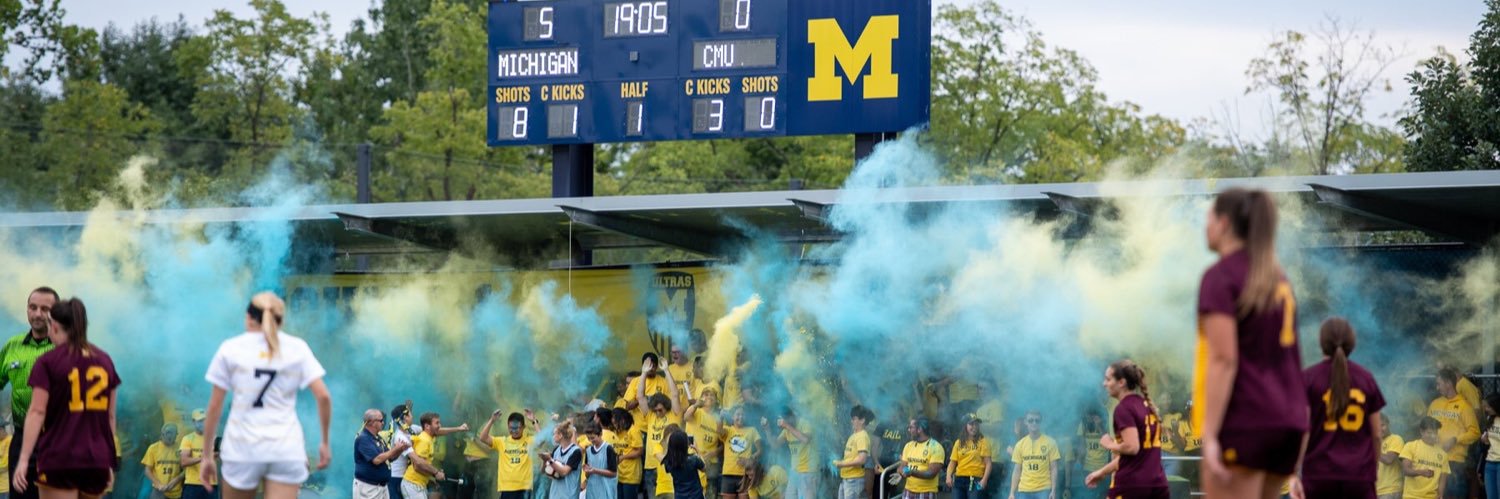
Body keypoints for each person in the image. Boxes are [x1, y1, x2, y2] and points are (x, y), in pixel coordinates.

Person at [1194, 188, 1308, 499]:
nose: (1205, 226)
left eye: (1209, 217)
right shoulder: (1277, 278)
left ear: (1224, 223)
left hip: (1245, 420)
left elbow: (1223, 360)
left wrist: (1211, 434)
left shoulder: (1221, 276)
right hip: (1286, 422)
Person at [199, 292, 332, 499]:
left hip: (242, 447)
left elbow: (215, 407)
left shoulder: (231, 348)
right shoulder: (297, 347)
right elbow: (323, 396)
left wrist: (207, 456)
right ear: (280, 320)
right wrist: (324, 442)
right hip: (285, 447)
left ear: (249, 317)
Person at [9, 296, 120, 499]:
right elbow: (110, 417)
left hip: (60, 457)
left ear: (55, 327)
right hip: (96, 460)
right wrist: (109, 459)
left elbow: (37, 411)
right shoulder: (105, 360)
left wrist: (23, 459)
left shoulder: (48, 361)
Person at [1294, 318, 1386, 499]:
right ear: (1352, 343)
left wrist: (1294, 471)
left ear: (1322, 344)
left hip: (1319, 476)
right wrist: (1370, 470)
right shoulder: (1366, 378)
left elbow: (1302, 431)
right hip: (1358, 477)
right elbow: (1376, 435)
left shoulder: (1308, 379)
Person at [2, 287, 58, 499]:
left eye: (45, 309)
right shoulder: (11, 346)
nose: (37, 314)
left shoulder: (67, 349)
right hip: (21, 439)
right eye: (33, 307)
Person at [1085, 360, 1168, 499]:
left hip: (1131, 486)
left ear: (1121, 382)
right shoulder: (1147, 405)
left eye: (1108, 379)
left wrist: (1109, 444)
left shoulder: (1124, 408)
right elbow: (1132, 458)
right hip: (1158, 485)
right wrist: (1101, 472)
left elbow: (1132, 447)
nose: (1104, 384)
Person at [1427, 368, 1479, 499]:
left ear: (1448, 383)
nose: (1437, 387)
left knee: (1453, 495)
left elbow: (1475, 432)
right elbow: (1426, 427)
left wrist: (1455, 439)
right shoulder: (1434, 403)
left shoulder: (1464, 406)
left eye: (1439, 383)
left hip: (1454, 462)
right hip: (1433, 459)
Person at [638, 358, 683, 499]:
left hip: (671, 464)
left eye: (660, 410)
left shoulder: (674, 413)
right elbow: (640, 397)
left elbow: (675, 394)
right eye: (655, 410)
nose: (658, 412)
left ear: (666, 406)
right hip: (651, 464)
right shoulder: (651, 415)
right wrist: (644, 373)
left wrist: (666, 370)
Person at [479, 409, 540, 499]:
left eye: (517, 428)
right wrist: (492, 420)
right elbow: (483, 438)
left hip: (524, 488)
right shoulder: (502, 441)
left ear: (523, 427)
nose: (514, 431)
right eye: (511, 428)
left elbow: (543, 438)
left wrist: (534, 421)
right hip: (507, 488)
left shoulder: (529, 441)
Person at [356, 408, 411, 499]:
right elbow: (377, 460)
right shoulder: (363, 438)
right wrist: (395, 449)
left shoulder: (378, 438)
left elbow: (390, 458)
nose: (383, 423)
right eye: (381, 420)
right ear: (371, 422)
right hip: (368, 488)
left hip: (382, 486)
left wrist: (400, 449)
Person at [1009, 411, 1060, 499]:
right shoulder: (1020, 444)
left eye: (1037, 420)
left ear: (1041, 422)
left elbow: (1054, 468)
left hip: (1044, 489)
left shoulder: (1051, 442)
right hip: (1024, 490)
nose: (1034, 423)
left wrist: (1053, 490)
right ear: (1025, 422)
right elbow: (1017, 469)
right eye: (1031, 420)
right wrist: (1012, 492)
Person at [403, 413, 449, 499]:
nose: (440, 426)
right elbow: (418, 466)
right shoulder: (424, 440)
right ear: (427, 426)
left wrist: (434, 475)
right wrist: (436, 473)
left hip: (418, 484)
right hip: (413, 484)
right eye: (437, 423)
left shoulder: (428, 438)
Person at [1402, 417, 1449, 499]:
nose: (1433, 436)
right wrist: (1421, 472)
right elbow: (1405, 470)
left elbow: (1443, 477)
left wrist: (1440, 494)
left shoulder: (1443, 454)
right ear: (1421, 432)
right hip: (1411, 496)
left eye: (1435, 433)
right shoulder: (1411, 446)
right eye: (1429, 433)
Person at [898, 418, 945, 499]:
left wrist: (911, 472)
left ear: (919, 429)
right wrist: (900, 472)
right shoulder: (908, 446)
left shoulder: (936, 447)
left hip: (926, 492)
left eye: (911, 427)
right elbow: (902, 465)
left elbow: (931, 473)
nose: (909, 430)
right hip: (908, 491)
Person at [720, 407, 760, 499]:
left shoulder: (752, 430)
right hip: (728, 473)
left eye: (743, 415)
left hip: (745, 475)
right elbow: (719, 431)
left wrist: (750, 460)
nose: (741, 417)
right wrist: (721, 417)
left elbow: (760, 451)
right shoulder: (728, 429)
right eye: (738, 414)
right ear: (733, 417)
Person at [946, 418, 991, 499]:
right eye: (971, 424)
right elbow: (953, 462)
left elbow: (988, 463)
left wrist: (984, 480)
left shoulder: (983, 441)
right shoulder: (959, 442)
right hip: (959, 480)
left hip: (975, 480)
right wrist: (948, 476)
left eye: (976, 424)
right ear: (965, 425)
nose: (974, 427)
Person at [833, 406, 871, 499]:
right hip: (846, 479)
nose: (851, 421)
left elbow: (862, 459)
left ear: (862, 420)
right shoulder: (854, 435)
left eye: (854, 419)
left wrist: (842, 464)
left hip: (854, 480)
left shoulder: (862, 436)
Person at [775, 409, 813, 499]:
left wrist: (787, 426)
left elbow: (805, 439)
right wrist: (767, 429)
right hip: (794, 472)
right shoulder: (787, 429)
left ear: (790, 417)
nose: (782, 422)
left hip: (808, 471)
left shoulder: (804, 423)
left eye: (783, 419)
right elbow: (775, 445)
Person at [180, 409, 218, 499]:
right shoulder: (188, 438)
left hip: (211, 484)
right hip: (192, 484)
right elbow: (184, 461)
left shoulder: (214, 438)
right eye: (200, 421)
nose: (203, 423)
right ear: (193, 422)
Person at [541, 421, 583, 499]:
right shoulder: (556, 449)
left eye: (554, 434)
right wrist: (544, 461)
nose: (553, 436)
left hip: (569, 495)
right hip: (555, 495)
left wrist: (550, 460)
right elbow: (543, 471)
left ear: (560, 435)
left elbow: (564, 472)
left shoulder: (576, 451)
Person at [1073, 409, 1109, 499]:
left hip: (1103, 468)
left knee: (1103, 495)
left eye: (1092, 416)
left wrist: (1100, 426)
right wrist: (1078, 462)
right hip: (1088, 467)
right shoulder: (1083, 424)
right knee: (1089, 495)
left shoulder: (1105, 424)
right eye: (1088, 416)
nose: (1090, 419)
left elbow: (1109, 443)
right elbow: (1082, 447)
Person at [143, 424, 185, 499]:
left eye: (173, 433)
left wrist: (177, 479)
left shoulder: (181, 448)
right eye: (168, 432)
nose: (170, 435)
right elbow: (147, 470)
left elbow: (186, 470)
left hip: (176, 492)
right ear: (162, 433)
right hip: (158, 491)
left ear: (176, 435)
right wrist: (158, 484)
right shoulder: (153, 448)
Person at [661, 431, 705, 499]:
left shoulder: (669, 462)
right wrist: (697, 450)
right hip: (696, 496)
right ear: (685, 445)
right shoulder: (693, 460)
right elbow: (704, 468)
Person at [611, 409, 643, 499]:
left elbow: (639, 451)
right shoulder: (617, 432)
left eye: (616, 423)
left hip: (631, 475)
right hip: (620, 474)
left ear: (623, 420)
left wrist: (623, 457)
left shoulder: (634, 431)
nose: (615, 426)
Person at [582, 421, 620, 499]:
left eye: (593, 438)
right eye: (589, 438)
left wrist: (595, 470)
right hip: (592, 491)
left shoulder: (608, 449)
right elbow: (587, 475)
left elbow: (613, 473)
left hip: (605, 490)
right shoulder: (588, 450)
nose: (591, 440)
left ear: (600, 434)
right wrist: (587, 471)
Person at [1376, 418, 1404, 499]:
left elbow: (1389, 460)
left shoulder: (1396, 439)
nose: (1380, 429)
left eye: (1382, 425)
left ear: (1388, 424)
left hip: (1390, 490)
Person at [1481, 395, 1499, 499]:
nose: (1486, 409)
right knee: (1491, 496)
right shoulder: (1490, 418)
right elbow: (1489, 443)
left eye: (1488, 407)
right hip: (1490, 462)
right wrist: (1485, 440)